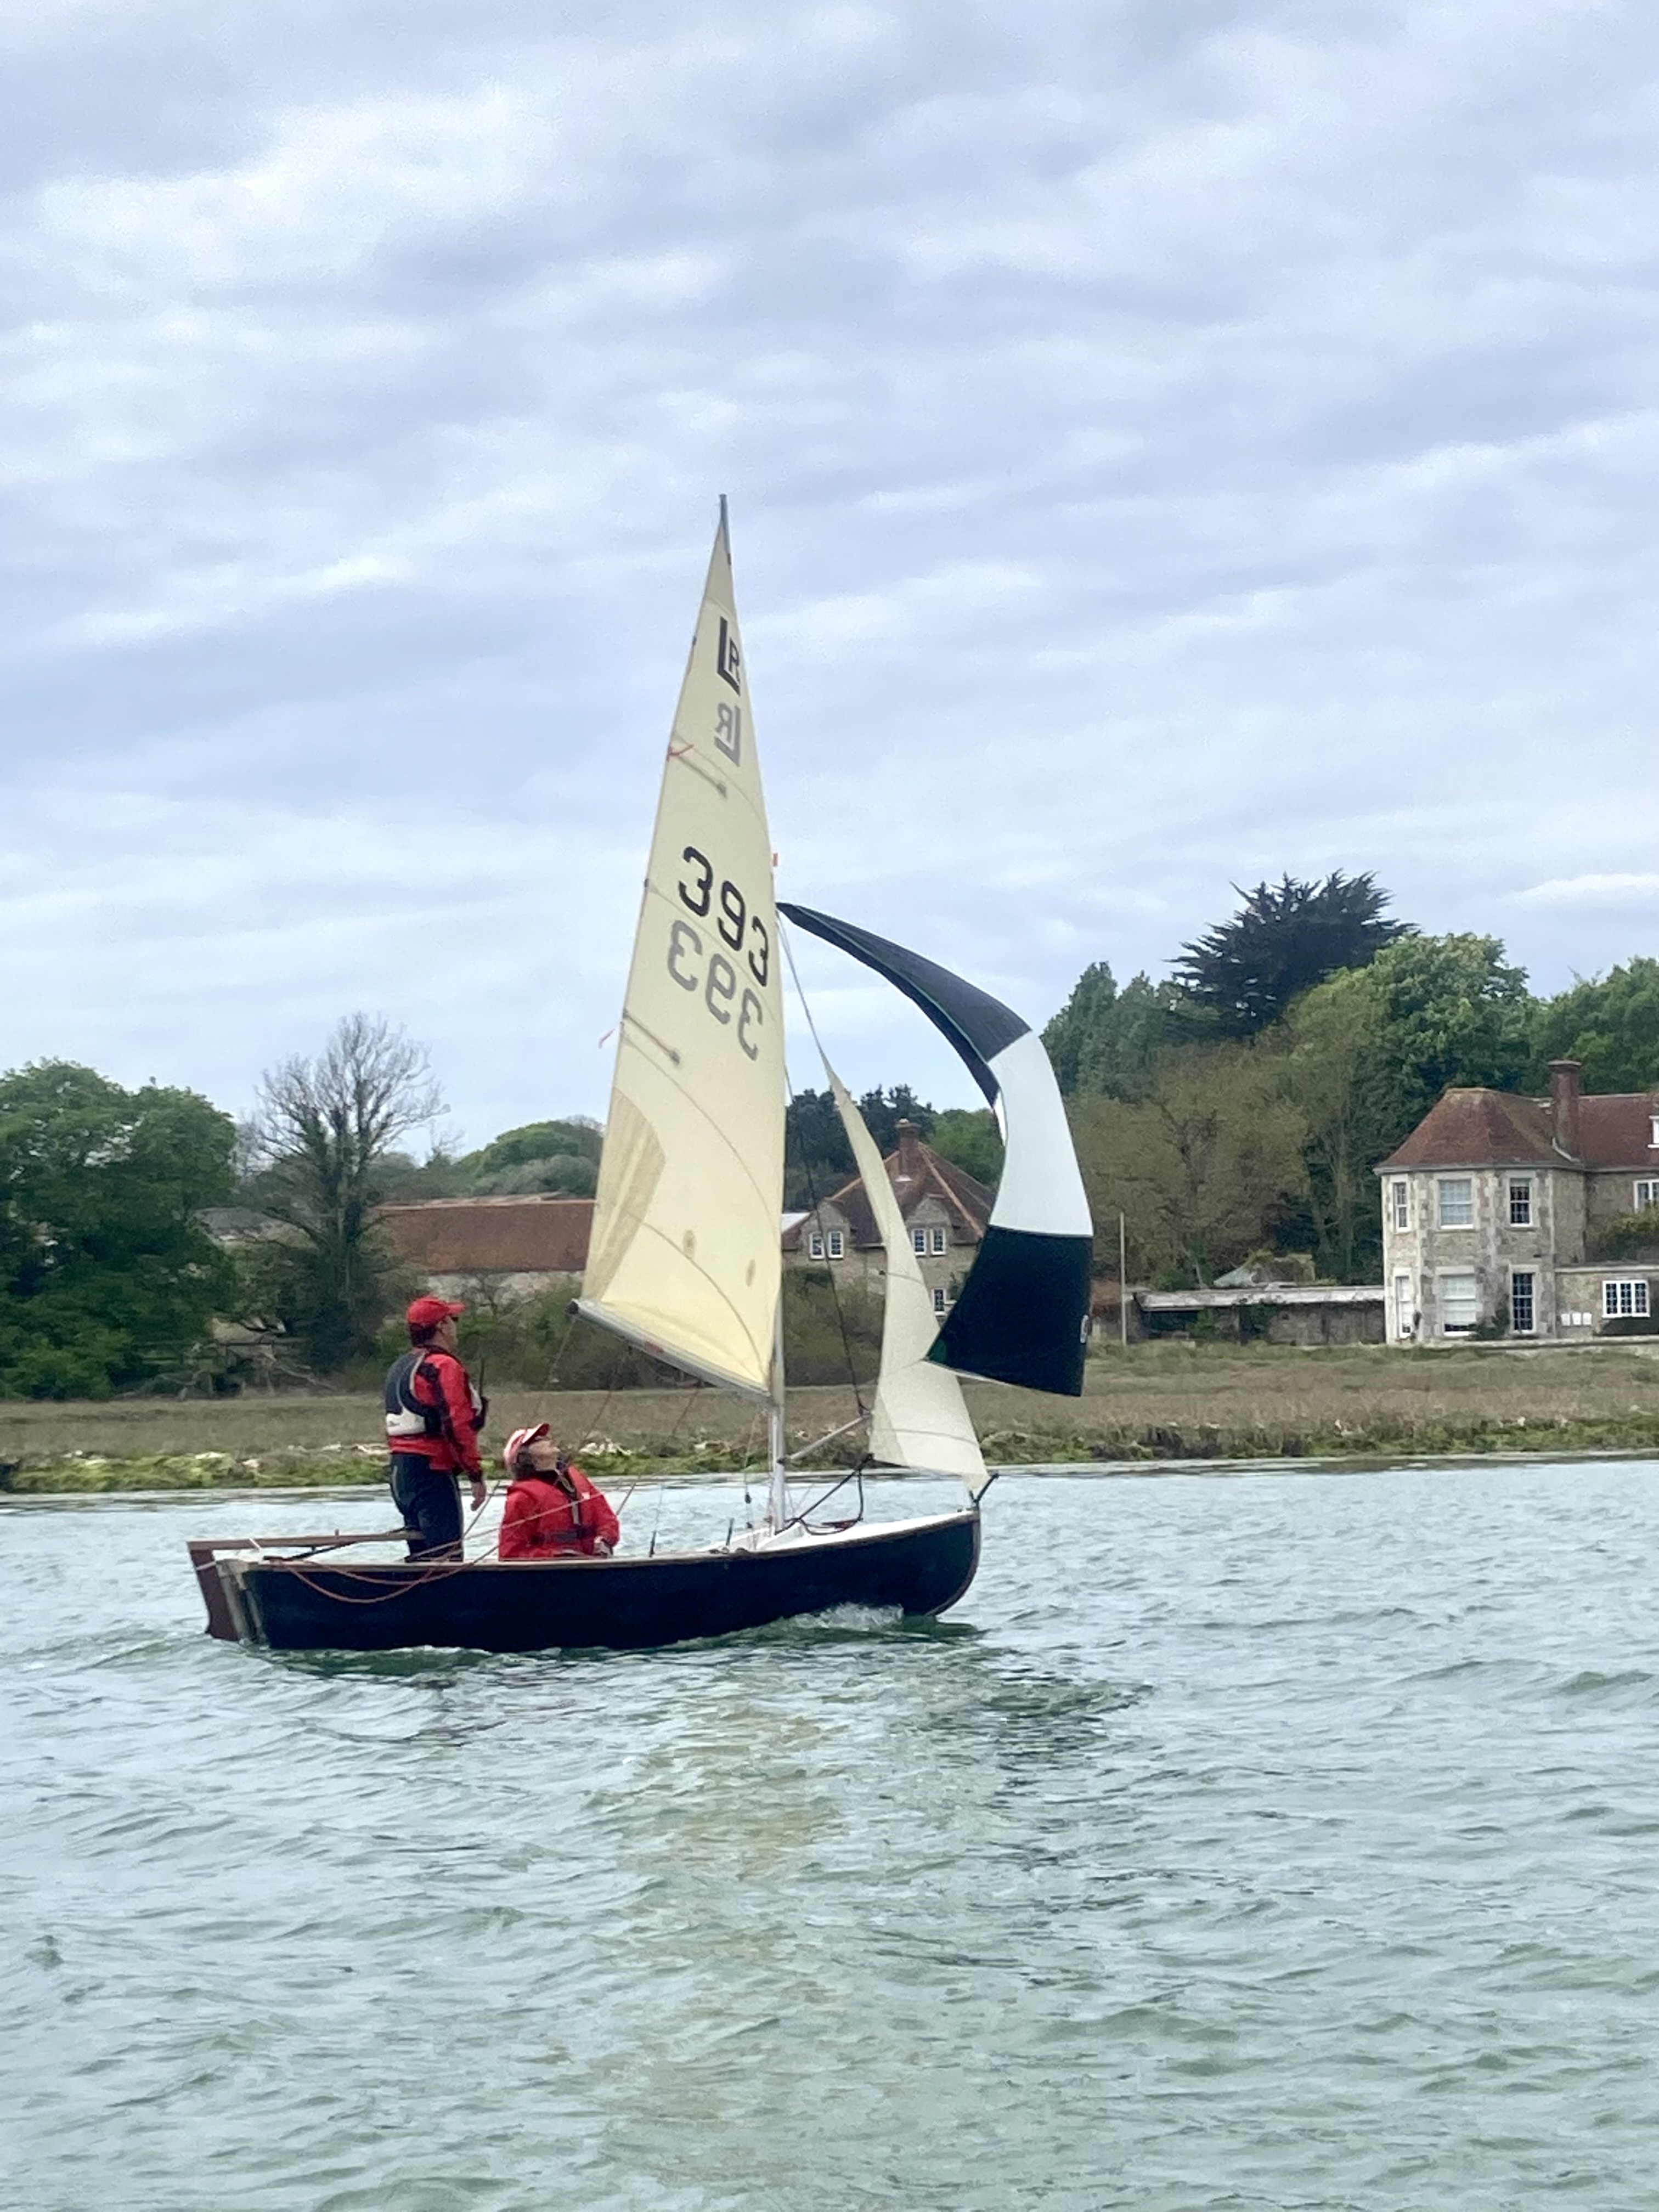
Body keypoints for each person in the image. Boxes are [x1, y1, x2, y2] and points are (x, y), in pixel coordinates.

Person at [383, 1296, 488, 1559]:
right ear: (442, 1326)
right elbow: (457, 1424)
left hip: (400, 1474)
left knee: (422, 1559)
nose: (456, 1327)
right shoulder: (444, 1366)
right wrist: (474, 1473)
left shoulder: (400, 1366)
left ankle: (416, 1599)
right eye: (454, 1320)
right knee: (446, 1558)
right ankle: (446, 1600)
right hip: (431, 1472)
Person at [498, 1425, 619, 1560]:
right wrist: (556, 1556)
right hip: (551, 1574)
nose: (547, 1439)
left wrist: (605, 1540)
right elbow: (510, 1553)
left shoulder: (578, 1481)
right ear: (525, 1455)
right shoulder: (522, 1498)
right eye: (538, 1440)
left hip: (594, 1565)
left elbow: (607, 1518)